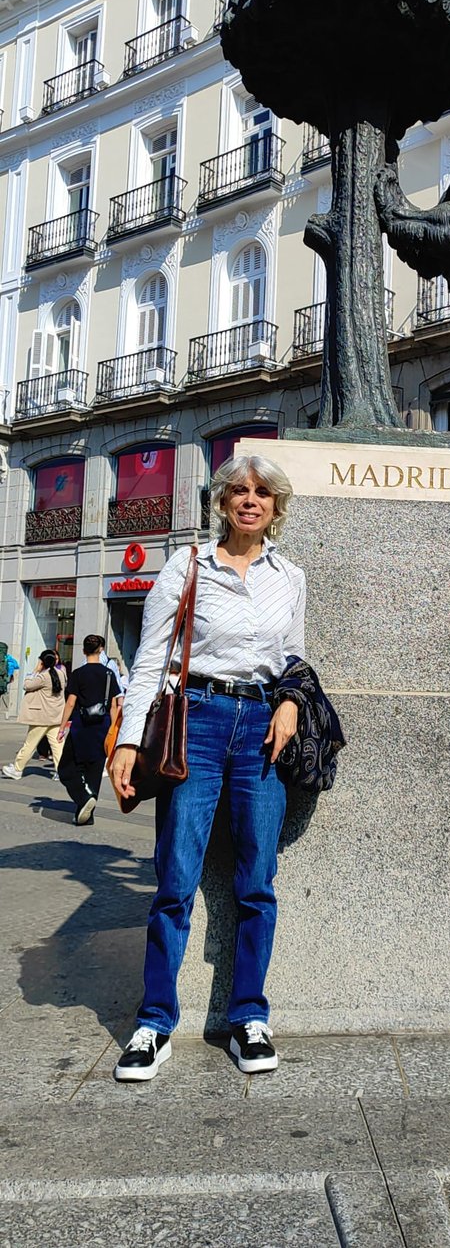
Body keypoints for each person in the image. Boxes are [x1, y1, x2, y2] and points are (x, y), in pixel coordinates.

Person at [110, 453, 306, 1082]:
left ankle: (249, 1016)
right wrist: (128, 743)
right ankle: (154, 1023)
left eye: (262, 493)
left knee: (257, 881)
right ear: (221, 502)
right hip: (197, 718)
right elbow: (149, 660)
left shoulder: (290, 577)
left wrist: (290, 703)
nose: (250, 500)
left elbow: (294, 657)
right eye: (239, 491)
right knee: (174, 879)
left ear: (276, 507)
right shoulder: (188, 564)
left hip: (262, 731)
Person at [57, 634, 121, 826]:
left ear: (84, 651)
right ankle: (87, 813)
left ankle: (83, 798)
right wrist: (112, 730)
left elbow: (70, 702)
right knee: (94, 769)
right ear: (101, 649)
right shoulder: (109, 674)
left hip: (81, 726)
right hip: (102, 727)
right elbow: (114, 705)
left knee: (67, 767)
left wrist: (62, 727)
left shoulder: (78, 673)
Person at [2, 650, 66, 780]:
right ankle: (61, 771)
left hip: (41, 717)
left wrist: (35, 670)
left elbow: (27, 685)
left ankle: (17, 769)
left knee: (30, 744)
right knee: (58, 745)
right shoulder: (61, 674)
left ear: (42, 661)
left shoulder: (42, 676)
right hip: (56, 716)